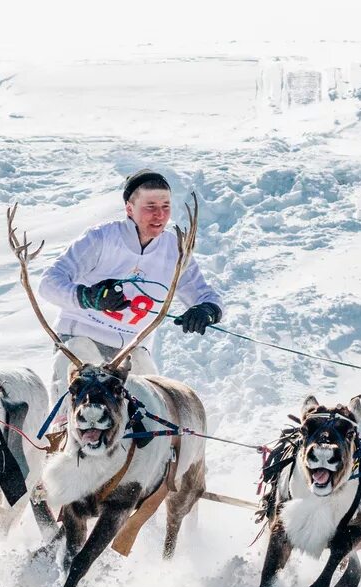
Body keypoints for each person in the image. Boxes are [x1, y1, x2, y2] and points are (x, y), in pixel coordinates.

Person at [39, 170, 223, 413]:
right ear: (129, 209)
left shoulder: (175, 249)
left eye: (166, 206)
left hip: (131, 350)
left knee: (154, 409)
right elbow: (48, 283)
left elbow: (205, 296)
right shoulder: (101, 238)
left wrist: (206, 310)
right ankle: (62, 433)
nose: (160, 215)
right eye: (150, 206)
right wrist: (89, 297)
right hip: (80, 340)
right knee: (78, 410)